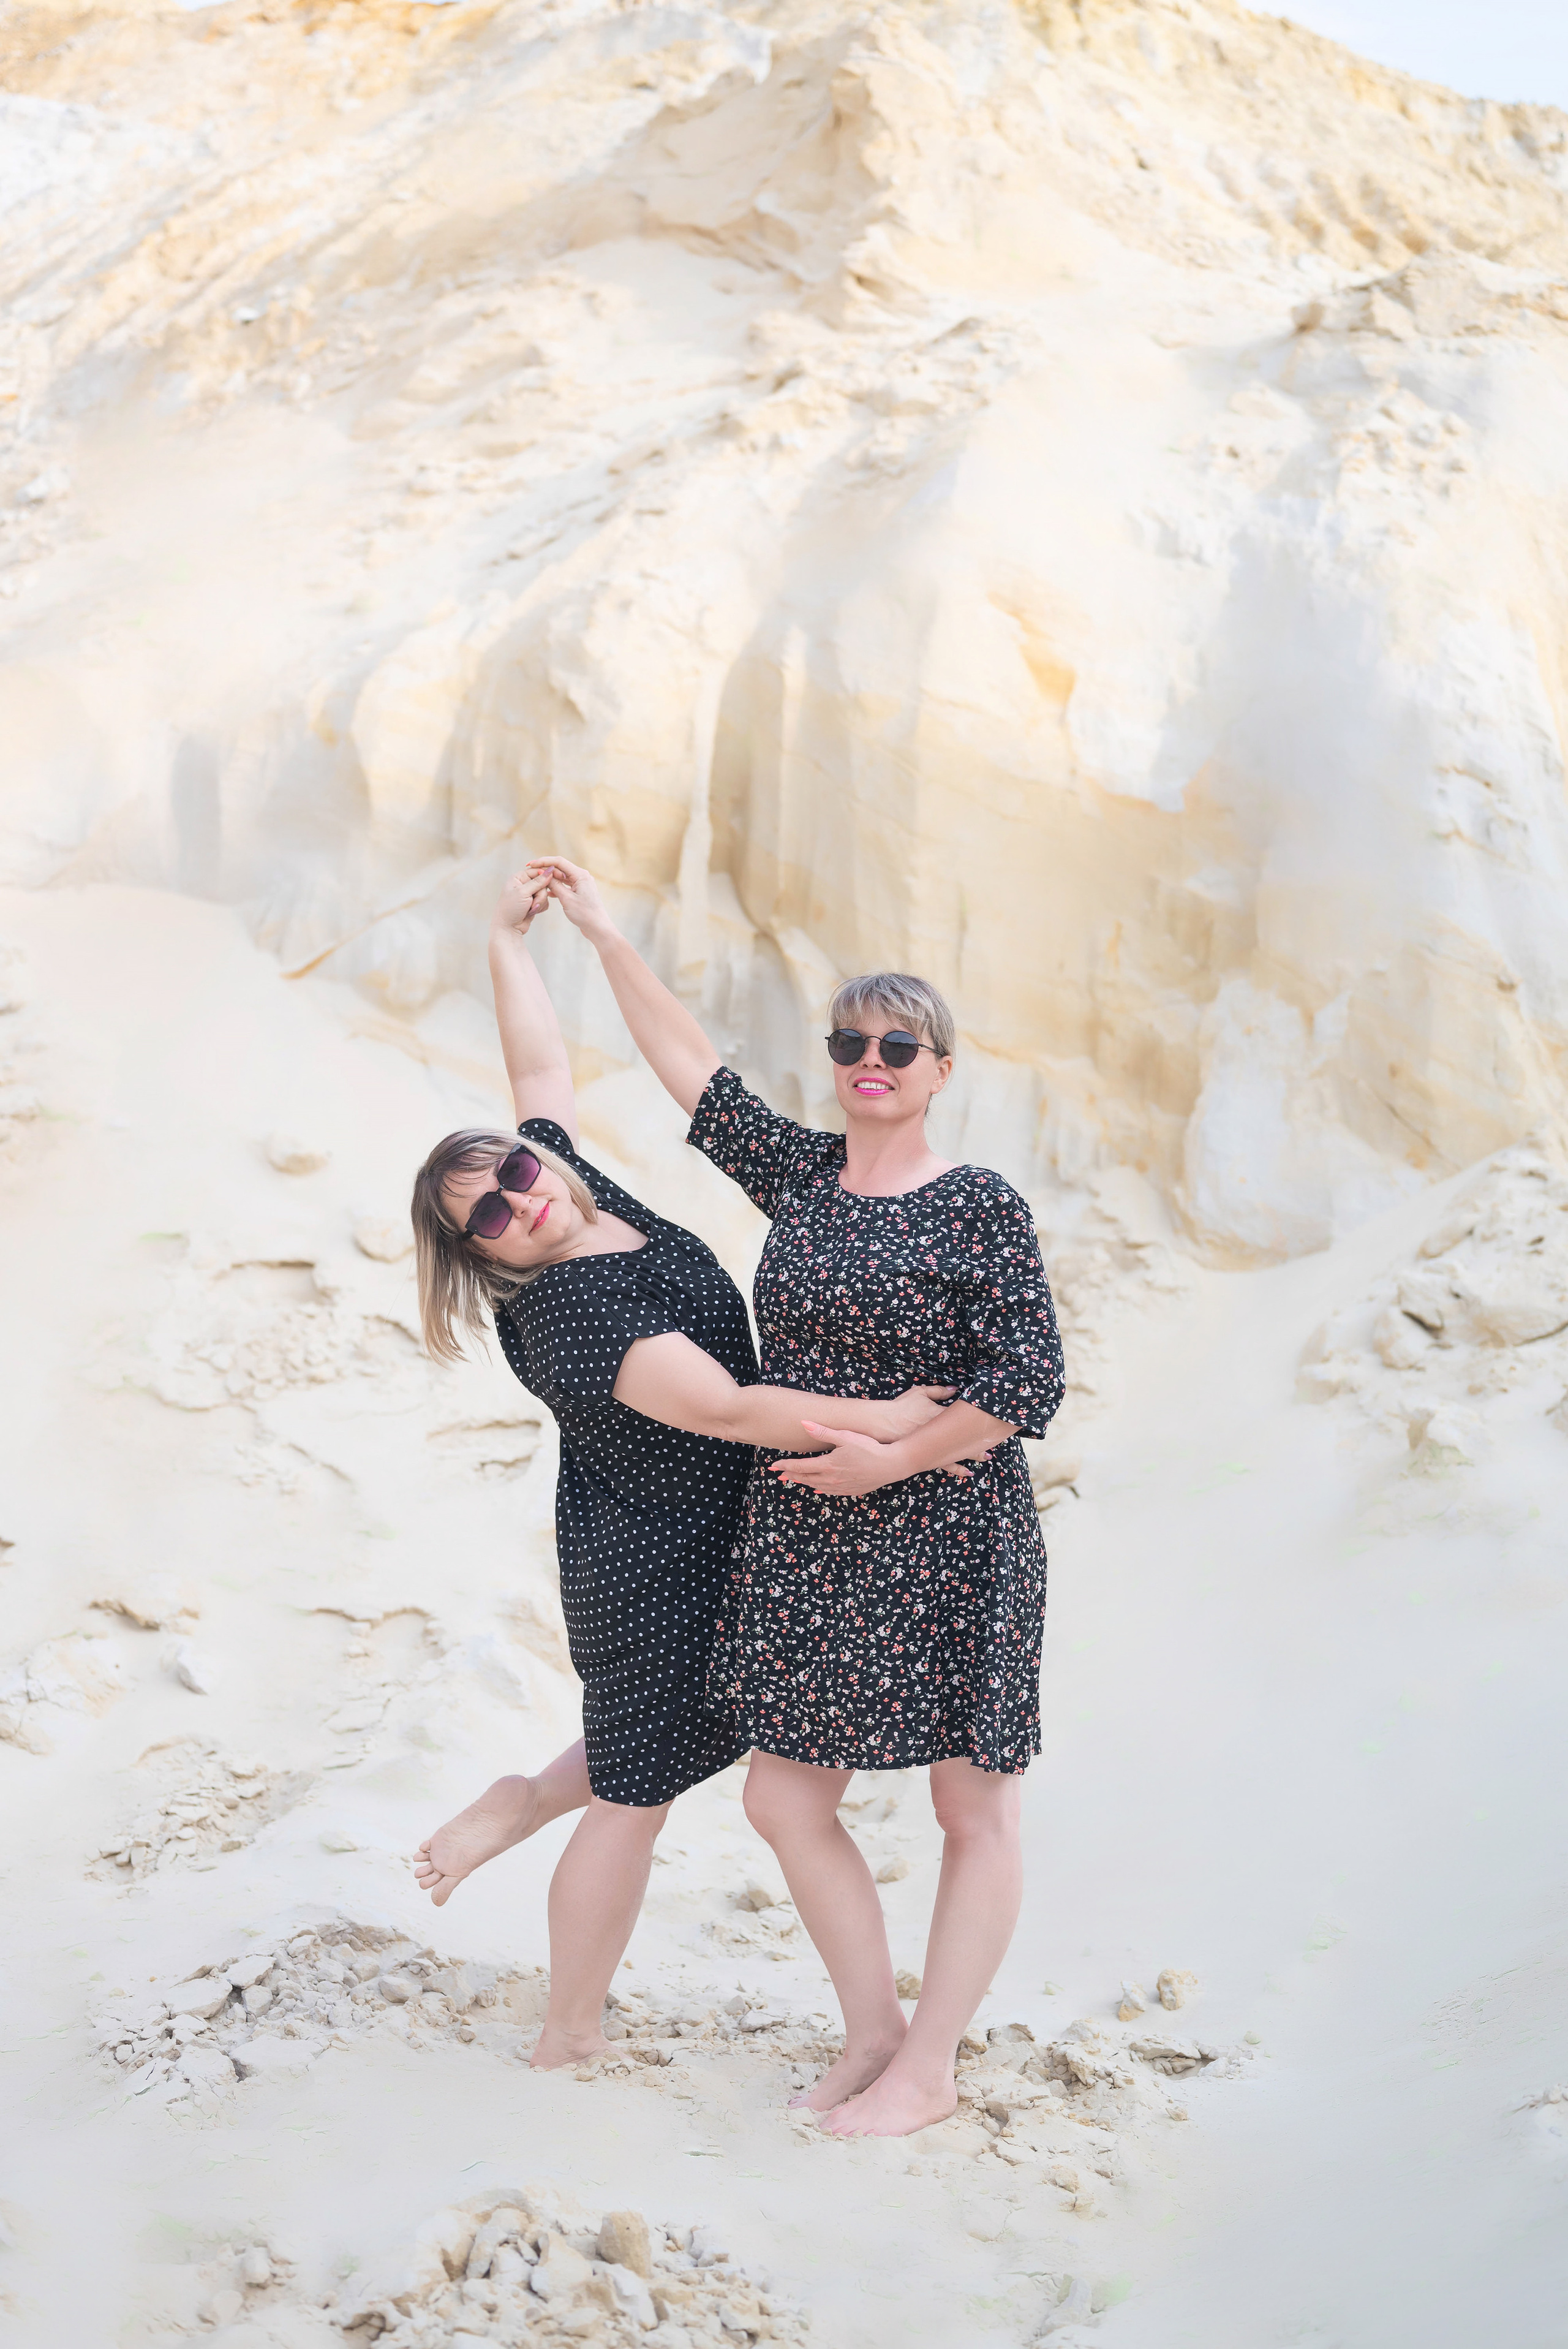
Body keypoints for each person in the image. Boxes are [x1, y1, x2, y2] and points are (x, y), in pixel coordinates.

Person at [533, 855, 1065, 2138]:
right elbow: (691, 1076)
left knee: (967, 1803)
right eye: (850, 1042)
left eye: (898, 1043)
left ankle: (928, 2068)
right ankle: (875, 2033)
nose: (869, 1058)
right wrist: (605, 935)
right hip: (809, 1536)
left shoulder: (977, 1206)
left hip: (945, 1522)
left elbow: (1026, 1378)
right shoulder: (805, 1181)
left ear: (940, 1069)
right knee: (784, 1798)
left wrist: (895, 1456)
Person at [409, 871, 955, 2071]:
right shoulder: (560, 1312)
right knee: (637, 1794)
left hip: (715, 1517)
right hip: (654, 1548)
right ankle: (566, 2034)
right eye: (489, 1218)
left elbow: (539, 1074)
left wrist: (508, 940)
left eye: (514, 1174)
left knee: (666, 1736)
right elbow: (725, 1407)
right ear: (476, 1258)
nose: (521, 1199)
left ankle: (517, 1799)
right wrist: (888, 1416)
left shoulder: (569, 1188)